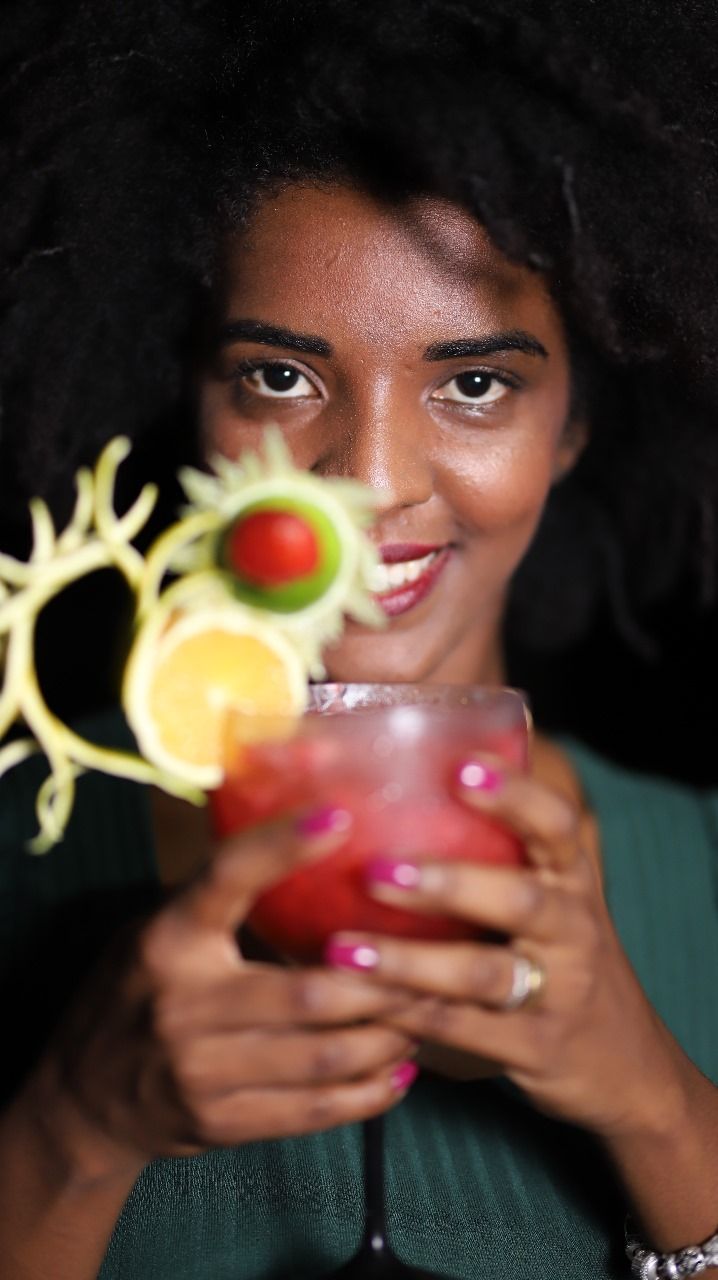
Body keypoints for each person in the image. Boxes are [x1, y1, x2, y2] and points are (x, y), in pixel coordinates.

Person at [0, 2, 717, 1278]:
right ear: (194, 400)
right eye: (279, 377)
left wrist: (656, 1103)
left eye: (475, 382)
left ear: (571, 428)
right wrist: (71, 1130)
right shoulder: (20, 837)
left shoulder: (703, 870)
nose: (371, 482)